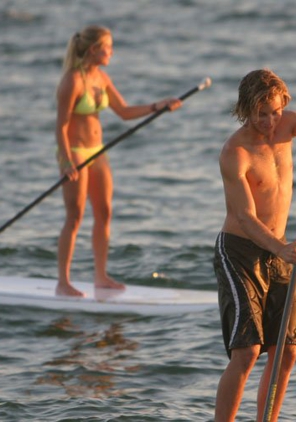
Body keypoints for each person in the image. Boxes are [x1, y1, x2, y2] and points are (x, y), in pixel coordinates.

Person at [213, 69, 296, 421]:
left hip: (279, 251)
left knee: (286, 351)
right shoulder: (235, 152)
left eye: (274, 111)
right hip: (240, 252)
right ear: (246, 110)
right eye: (262, 113)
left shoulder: (288, 124)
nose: (270, 121)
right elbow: (244, 217)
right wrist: (280, 248)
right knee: (247, 351)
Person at [55, 25, 182, 297]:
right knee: (75, 216)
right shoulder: (72, 81)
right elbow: (61, 127)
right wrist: (66, 162)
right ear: (93, 49)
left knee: (104, 213)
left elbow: (124, 112)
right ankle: (63, 282)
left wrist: (157, 106)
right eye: (108, 47)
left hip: (98, 150)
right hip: (74, 151)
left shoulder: (101, 78)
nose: (112, 52)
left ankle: (100, 277)